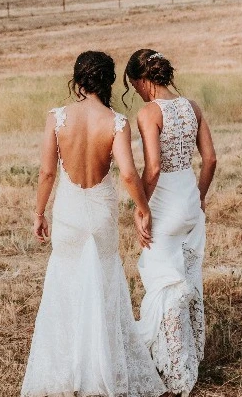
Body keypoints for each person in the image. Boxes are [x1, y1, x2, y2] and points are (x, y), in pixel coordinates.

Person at [22, 51, 166, 397]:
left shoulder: (56, 118)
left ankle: (67, 370)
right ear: (109, 81)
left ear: (77, 80)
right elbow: (129, 174)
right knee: (103, 284)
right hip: (100, 213)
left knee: (66, 283)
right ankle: (100, 369)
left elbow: (46, 173)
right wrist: (143, 207)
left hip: (70, 212)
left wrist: (39, 212)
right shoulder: (116, 122)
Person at [123, 49, 217, 397]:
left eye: (134, 85)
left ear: (143, 80)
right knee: (189, 280)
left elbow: (154, 168)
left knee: (165, 284)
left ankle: (176, 373)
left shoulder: (149, 114)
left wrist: (141, 206)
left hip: (165, 204)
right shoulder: (192, 107)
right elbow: (210, 159)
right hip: (191, 203)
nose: (135, 92)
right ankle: (193, 357)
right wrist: (200, 195)